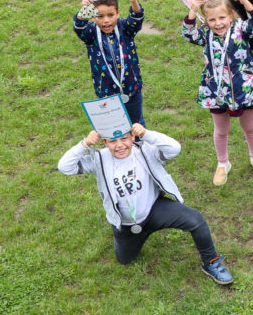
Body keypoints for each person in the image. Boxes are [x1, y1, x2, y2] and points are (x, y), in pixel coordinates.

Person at [57, 122, 234, 285]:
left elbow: (175, 148)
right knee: (125, 259)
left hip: (155, 210)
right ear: (104, 142)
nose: (119, 145)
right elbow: (64, 167)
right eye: (112, 141)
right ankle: (128, 237)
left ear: (132, 136)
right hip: (127, 224)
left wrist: (147, 134)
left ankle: (211, 262)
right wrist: (85, 144)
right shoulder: (99, 160)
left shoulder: (144, 150)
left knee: (196, 220)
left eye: (124, 138)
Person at [181, 0, 253, 186]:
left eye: (222, 17)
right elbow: (187, 34)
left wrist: (244, 0)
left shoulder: (241, 29)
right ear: (206, 20)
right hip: (216, 91)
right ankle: (223, 163)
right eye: (212, 19)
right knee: (221, 131)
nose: (218, 23)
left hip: (245, 88)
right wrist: (193, 10)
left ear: (231, 15)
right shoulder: (205, 34)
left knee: (249, 126)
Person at [74, 0, 146, 125]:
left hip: (132, 90)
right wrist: (84, 9)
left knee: (136, 124)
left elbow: (137, 18)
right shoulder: (91, 34)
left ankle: (139, 146)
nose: (106, 20)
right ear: (93, 16)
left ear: (118, 13)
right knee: (114, 127)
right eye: (100, 16)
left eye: (110, 15)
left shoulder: (125, 28)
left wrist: (133, 1)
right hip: (106, 94)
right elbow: (79, 26)